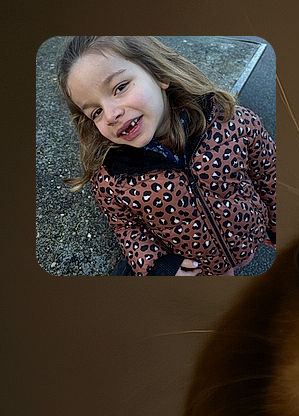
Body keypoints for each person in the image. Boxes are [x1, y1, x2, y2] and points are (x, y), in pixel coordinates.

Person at [57, 36, 276, 276]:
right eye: (96, 111)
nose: (110, 115)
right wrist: (158, 266)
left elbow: (269, 176)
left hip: (249, 237)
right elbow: (125, 227)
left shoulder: (232, 122)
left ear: (159, 75)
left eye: (120, 87)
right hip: (197, 268)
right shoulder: (111, 179)